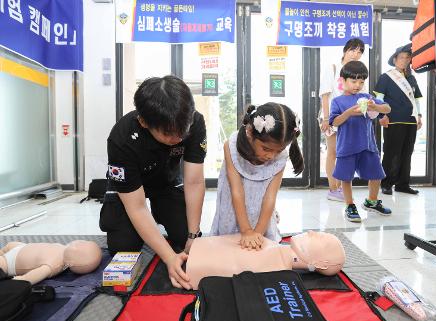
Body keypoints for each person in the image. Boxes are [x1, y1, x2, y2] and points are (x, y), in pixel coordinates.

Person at [99, 75, 207, 289]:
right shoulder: (122, 138)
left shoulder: (194, 121)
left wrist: (193, 235)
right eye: (169, 134)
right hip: (130, 190)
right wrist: (169, 258)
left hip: (166, 182)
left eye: (182, 132)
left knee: (184, 236)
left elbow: (194, 182)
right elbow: (137, 207)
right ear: (144, 122)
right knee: (123, 247)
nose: (178, 138)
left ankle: (162, 213)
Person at [210, 103, 304, 249]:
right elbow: (236, 191)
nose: (271, 156)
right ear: (250, 131)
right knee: (228, 249)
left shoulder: (281, 158)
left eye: (278, 151)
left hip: (262, 215)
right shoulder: (231, 147)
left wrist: (258, 234)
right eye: (266, 148)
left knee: (259, 251)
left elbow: (270, 197)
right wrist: (247, 231)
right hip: (234, 209)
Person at [329, 61, 392, 222]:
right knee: (346, 177)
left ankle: (371, 201)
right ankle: (350, 205)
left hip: (368, 145)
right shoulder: (337, 101)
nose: (358, 85)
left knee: (377, 174)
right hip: (347, 146)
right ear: (343, 81)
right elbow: (334, 122)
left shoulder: (367, 97)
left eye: (361, 82)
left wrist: (376, 108)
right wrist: (349, 112)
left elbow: (387, 108)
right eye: (354, 81)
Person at [186, 231, 345, 290]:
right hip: (193, 255)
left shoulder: (273, 267)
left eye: (320, 238)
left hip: (192, 265)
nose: (311, 232)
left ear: (320, 264)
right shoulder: (274, 251)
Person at [319, 38, 365, 201]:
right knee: (332, 152)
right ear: (345, 50)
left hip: (350, 118)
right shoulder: (332, 68)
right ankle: (333, 189)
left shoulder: (359, 72)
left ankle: (341, 187)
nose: (356, 54)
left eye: (359, 51)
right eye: (353, 50)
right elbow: (325, 95)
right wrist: (326, 118)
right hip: (332, 116)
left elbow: (361, 97)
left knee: (344, 153)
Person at [374, 44, 423, 195]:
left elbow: (416, 100)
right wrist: (381, 116)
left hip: (410, 120)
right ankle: (386, 183)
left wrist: (419, 116)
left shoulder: (412, 78)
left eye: (407, 58)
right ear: (395, 60)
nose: (404, 60)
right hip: (393, 120)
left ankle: (403, 184)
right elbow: (378, 99)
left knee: (407, 153)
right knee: (391, 153)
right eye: (401, 57)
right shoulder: (386, 77)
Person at [0, 240, 102, 285]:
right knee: (8, 247)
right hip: (22, 247)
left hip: (11, 261)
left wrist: (23, 279)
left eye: (80, 245)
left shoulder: (54, 265)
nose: (78, 243)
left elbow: (38, 274)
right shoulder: (63, 248)